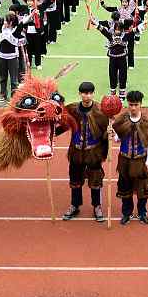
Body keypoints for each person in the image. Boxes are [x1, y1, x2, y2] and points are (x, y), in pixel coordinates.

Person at [112, 90, 148, 225]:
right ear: (127, 104)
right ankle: (126, 213)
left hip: (141, 160)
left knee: (142, 188)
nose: (133, 108)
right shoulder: (122, 120)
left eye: (136, 104)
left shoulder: (147, 122)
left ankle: (142, 212)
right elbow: (118, 139)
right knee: (125, 187)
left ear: (141, 104)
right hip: (124, 160)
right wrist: (112, 133)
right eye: (131, 105)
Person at [62, 81, 109, 222]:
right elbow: (63, 124)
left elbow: (105, 134)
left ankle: (97, 206)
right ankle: (75, 205)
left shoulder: (101, 112)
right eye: (84, 93)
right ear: (80, 94)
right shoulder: (72, 110)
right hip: (76, 151)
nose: (87, 96)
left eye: (89, 93)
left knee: (96, 180)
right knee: (75, 179)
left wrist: (109, 137)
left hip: (93, 152)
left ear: (93, 94)